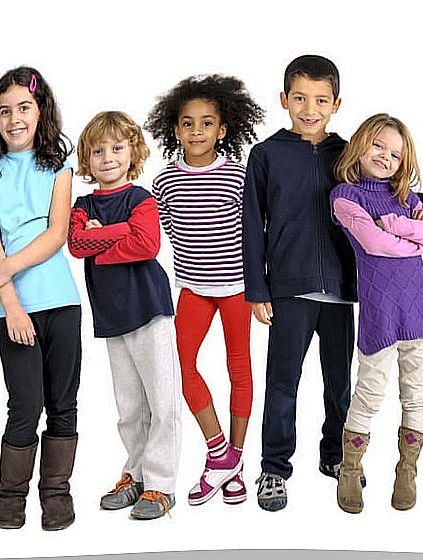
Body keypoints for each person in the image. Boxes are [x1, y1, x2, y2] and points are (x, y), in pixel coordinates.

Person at [242, 54, 357, 511]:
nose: (310, 108)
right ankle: (273, 468)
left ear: (337, 103)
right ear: (284, 99)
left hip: (341, 290)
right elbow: (252, 223)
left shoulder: (348, 154)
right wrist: (257, 288)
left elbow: (381, 193)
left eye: (322, 100)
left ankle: (336, 457)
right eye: (301, 98)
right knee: (282, 381)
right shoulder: (267, 154)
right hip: (288, 288)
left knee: (339, 382)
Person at [0, 66, 82, 531]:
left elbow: (57, 234)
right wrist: (11, 304)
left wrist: (8, 267)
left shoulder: (58, 167)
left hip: (61, 301)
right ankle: (9, 494)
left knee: (63, 402)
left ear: (41, 112)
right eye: (4, 111)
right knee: (25, 403)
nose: (14, 119)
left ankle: (56, 493)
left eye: (24, 108)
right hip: (11, 306)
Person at [145, 74, 264, 506]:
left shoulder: (237, 175)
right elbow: (151, 233)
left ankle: (235, 459)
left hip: (236, 289)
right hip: (192, 288)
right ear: (175, 129)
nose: (197, 132)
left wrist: (259, 291)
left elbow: (256, 237)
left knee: (239, 370)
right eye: (188, 123)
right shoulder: (164, 181)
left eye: (207, 123)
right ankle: (221, 454)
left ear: (223, 129)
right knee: (181, 366)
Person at [329, 113, 423, 513]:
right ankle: (349, 469)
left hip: (420, 306)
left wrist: (398, 223)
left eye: (395, 154)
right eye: (378, 146)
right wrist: (410, 238)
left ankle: (407, 470)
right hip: (380, 310)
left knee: (416, 393)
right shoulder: (345, 196)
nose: (385, 157)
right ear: (360, 144)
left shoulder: (405, 200)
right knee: (370, 392)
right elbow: (375, 244)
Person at [68, 111, 182, 520]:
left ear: (132, 151)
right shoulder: (81, 204)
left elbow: (147, 244)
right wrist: (117, 235)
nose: (108, 157)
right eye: (98, 151)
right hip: (112, 317)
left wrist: (105, 236)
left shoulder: (141, 199)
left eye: (117, 148)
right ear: (87, 159)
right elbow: (78, 245)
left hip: (149, 311)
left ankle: (161, 485)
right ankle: (133, 475)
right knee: (130, 406)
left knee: (162, 401)